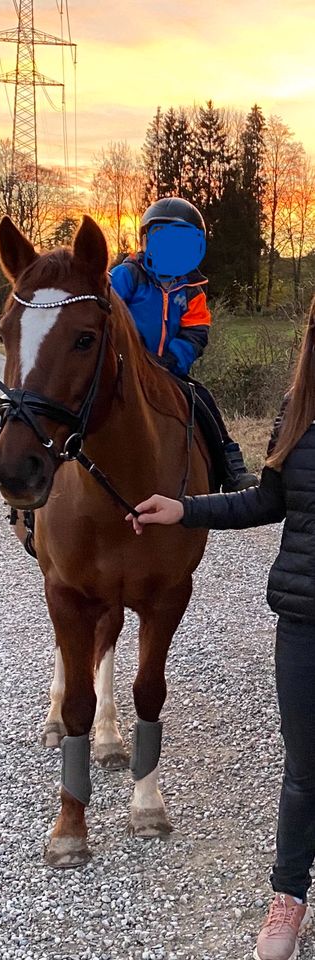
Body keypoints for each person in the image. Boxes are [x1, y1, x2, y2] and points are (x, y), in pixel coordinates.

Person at [126, 296, 315, 960]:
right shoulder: (296, 413)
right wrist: (183, 508)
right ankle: (287, 897)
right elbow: (265, 500)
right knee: (303, 770)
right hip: (304, 619)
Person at [111, 196, 257, 492]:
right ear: (146, 241)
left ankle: (231, 467)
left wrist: (172, 361)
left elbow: (196, 331)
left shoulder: (192, 289)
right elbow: (105, 312)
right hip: (123, 366)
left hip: (168, 369)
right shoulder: (128, 275)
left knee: (203, 401)